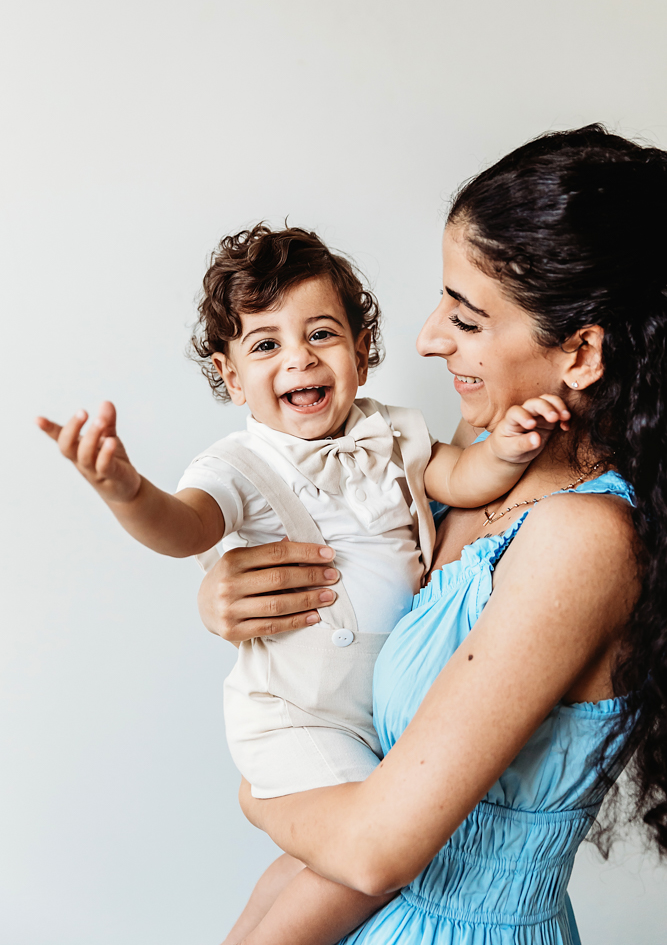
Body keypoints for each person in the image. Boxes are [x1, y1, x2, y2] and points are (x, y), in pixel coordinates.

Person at [197, 124, 667, 945]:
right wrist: (229, 592)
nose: (426, 339)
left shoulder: (582, 538)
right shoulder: (477, 468)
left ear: (582, 351)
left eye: (468, 317)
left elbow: (375, 850)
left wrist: (252, 793)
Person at [36, 225, 569, 939]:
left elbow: (462, 479)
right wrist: (126, 490)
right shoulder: (240, 465)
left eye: (321, 334)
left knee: (310, 862)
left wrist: (503, 447)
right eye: (265, 345)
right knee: (359, 863)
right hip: (295, 712)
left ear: (362, 351)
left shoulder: (394, 432)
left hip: (369, 716)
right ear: (230, 378)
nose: (298, 358)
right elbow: (186, 526)